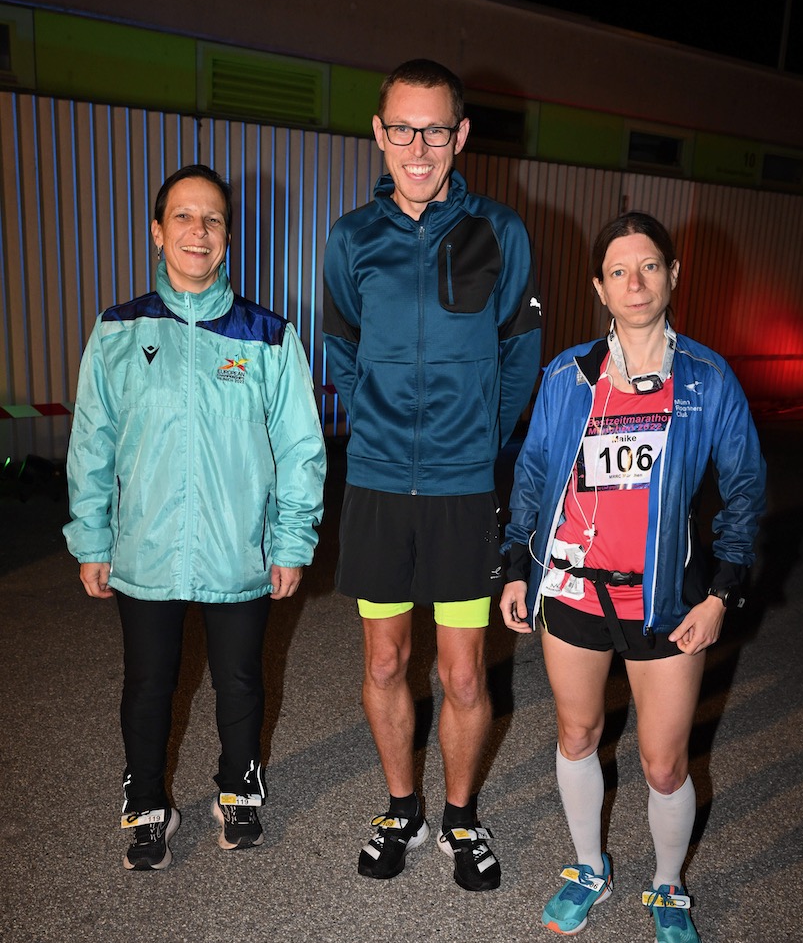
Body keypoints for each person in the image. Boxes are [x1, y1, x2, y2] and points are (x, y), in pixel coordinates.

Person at [500, 211, 765, 943]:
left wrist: (721, 595)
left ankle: (670, 883)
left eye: (649, 266)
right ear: (599, 287)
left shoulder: (707, 381)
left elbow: (744, 490)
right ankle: (589, 868)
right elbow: (531, 475)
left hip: (666, 602)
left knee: (662, 761)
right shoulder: (567, 376)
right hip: (573, 592)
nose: (635, 282)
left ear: (674, 275)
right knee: (578, 734)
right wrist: (519, 566)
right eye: (619, 271)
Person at [64, 164, 326, 871]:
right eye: (183, 216)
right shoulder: (119, 330)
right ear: (157, 231)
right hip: (144, 551)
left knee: (241, 679)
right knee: (149, 682)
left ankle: (239, 789)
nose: (197, 231)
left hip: (239, 550)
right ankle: (148, 804)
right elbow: (92, 441)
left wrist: (292, 541)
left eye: (211, 218)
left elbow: (301, 447)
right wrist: (91, 537)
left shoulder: (267, 336)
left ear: (228, 236)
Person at [323, 58, 542, 891]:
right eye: (402, 129)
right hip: (378, 484)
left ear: (461, 136)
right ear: (379, 133)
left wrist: (477, 443)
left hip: (460, 487)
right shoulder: (351, 238)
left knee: (460, 671)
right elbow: (343, 351)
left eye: (436, 129)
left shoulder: (502, 232)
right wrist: (377, 423)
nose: (419, 147)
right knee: (384, 661)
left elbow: (521, 356)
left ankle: (460, 818)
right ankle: (400, 807)